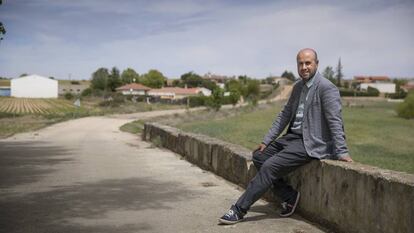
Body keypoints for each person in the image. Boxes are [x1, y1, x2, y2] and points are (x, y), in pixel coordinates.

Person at [219, 48, 353, 225]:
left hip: (309, 143)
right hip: (291, 138)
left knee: (269, 166)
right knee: (259, 156)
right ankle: (289, 196)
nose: (304, 67)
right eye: (300, 63)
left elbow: (335, 122)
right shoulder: (298, 86)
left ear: (316, 64)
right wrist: (266, 141)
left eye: (308, 63)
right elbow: (284, 115)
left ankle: (238, 210)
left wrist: (342, 152)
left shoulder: (327, 88)